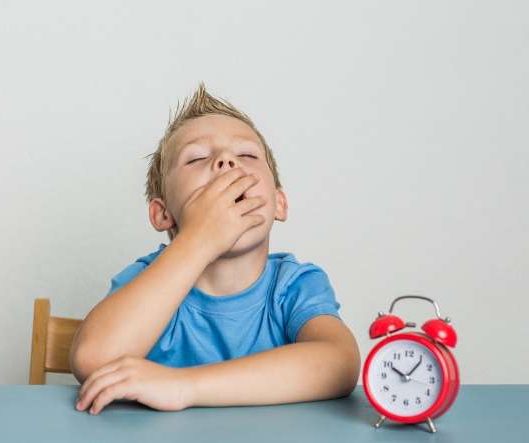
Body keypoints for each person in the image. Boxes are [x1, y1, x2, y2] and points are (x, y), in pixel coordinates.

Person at [70, 82, 361, 414]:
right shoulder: (147, 281)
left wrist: (182, 386)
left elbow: (340, 365)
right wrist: (199, 239)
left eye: (247, 155)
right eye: (196, 158)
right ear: (163, 213)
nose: (225, 162)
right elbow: (93, 360)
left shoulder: (293, 285)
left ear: (278, 203)